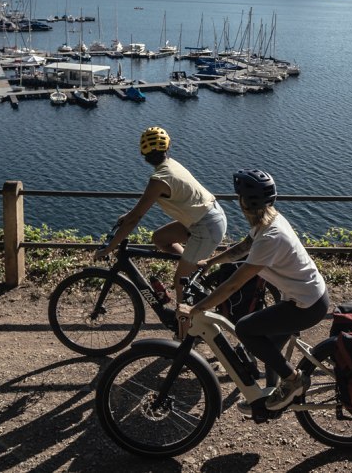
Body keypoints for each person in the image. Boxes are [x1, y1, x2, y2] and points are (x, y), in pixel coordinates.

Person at [179, 169, 330, 413]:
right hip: (308, 296)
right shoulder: (269, 222)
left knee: (246, 329)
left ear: (244, 203)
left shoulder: (270, 237)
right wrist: (211, 262)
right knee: (269, 349)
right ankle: (273, 399)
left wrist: (197, 308)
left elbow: (233, 285)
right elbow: (244, 247)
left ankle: (294, 381)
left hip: (306, 306)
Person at [97, 127, 227, 285]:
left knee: (180, 281)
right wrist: (129, 215)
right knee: (160, 239)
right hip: (210, 217)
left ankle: (186, 306)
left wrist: (109, 248)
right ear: (167, 148)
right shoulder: (170, 165)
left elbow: (135, 219)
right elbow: (136, 212)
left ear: (144, 155)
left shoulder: (158, 180)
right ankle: (194, 267)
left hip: (206, 226)